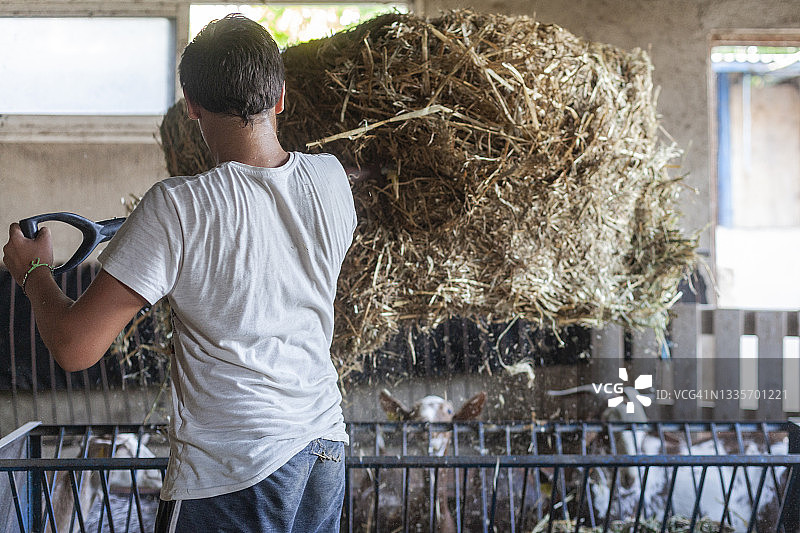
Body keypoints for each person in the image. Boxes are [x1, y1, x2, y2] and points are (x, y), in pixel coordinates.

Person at [3, 14, 356, 533]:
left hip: (235, 469)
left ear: (190, 105)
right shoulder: (331, 181)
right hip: (323, 452)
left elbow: (75, 347)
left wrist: (33, 270)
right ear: (280, 96)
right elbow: (261, 244)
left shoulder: (178, 207)